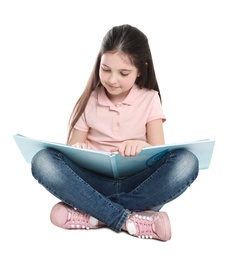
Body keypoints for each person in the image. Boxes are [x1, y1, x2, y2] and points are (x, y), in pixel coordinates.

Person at [31, 24, 199, 242]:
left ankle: (95, 215)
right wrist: (80, 149)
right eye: (106, 69)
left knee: (187, 162)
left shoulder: (150, 99)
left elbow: (161, 152)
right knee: (42, 161)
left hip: (136, 185)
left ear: (140, 70)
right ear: (98, 63)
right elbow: (70, 151)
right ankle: (131, 219)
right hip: (93, 184)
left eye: (124, 73)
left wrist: (143, 146)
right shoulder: (89, 100)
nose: (112, 79)